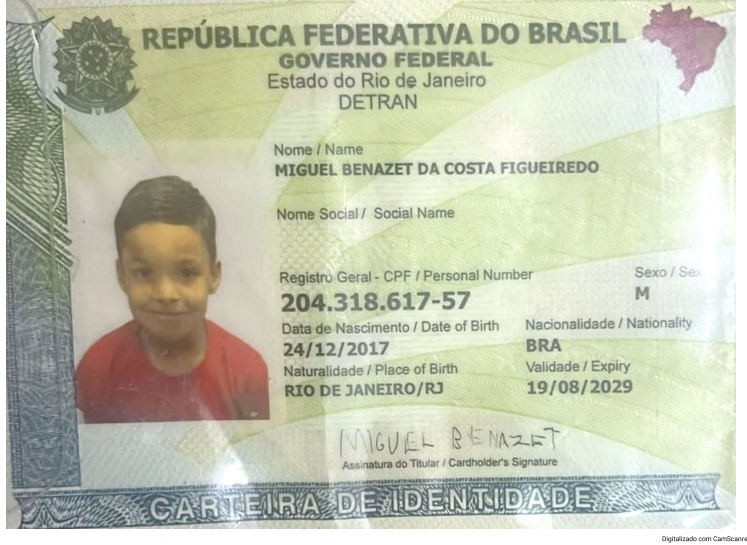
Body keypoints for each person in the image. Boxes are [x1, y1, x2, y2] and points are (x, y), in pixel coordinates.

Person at [75, 176, 269, 423]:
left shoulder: (246, 370)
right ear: (122, 276)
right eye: (144, 273)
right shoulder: (98, 366)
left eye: (187, 273)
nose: (166, 294)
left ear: (214, 275)